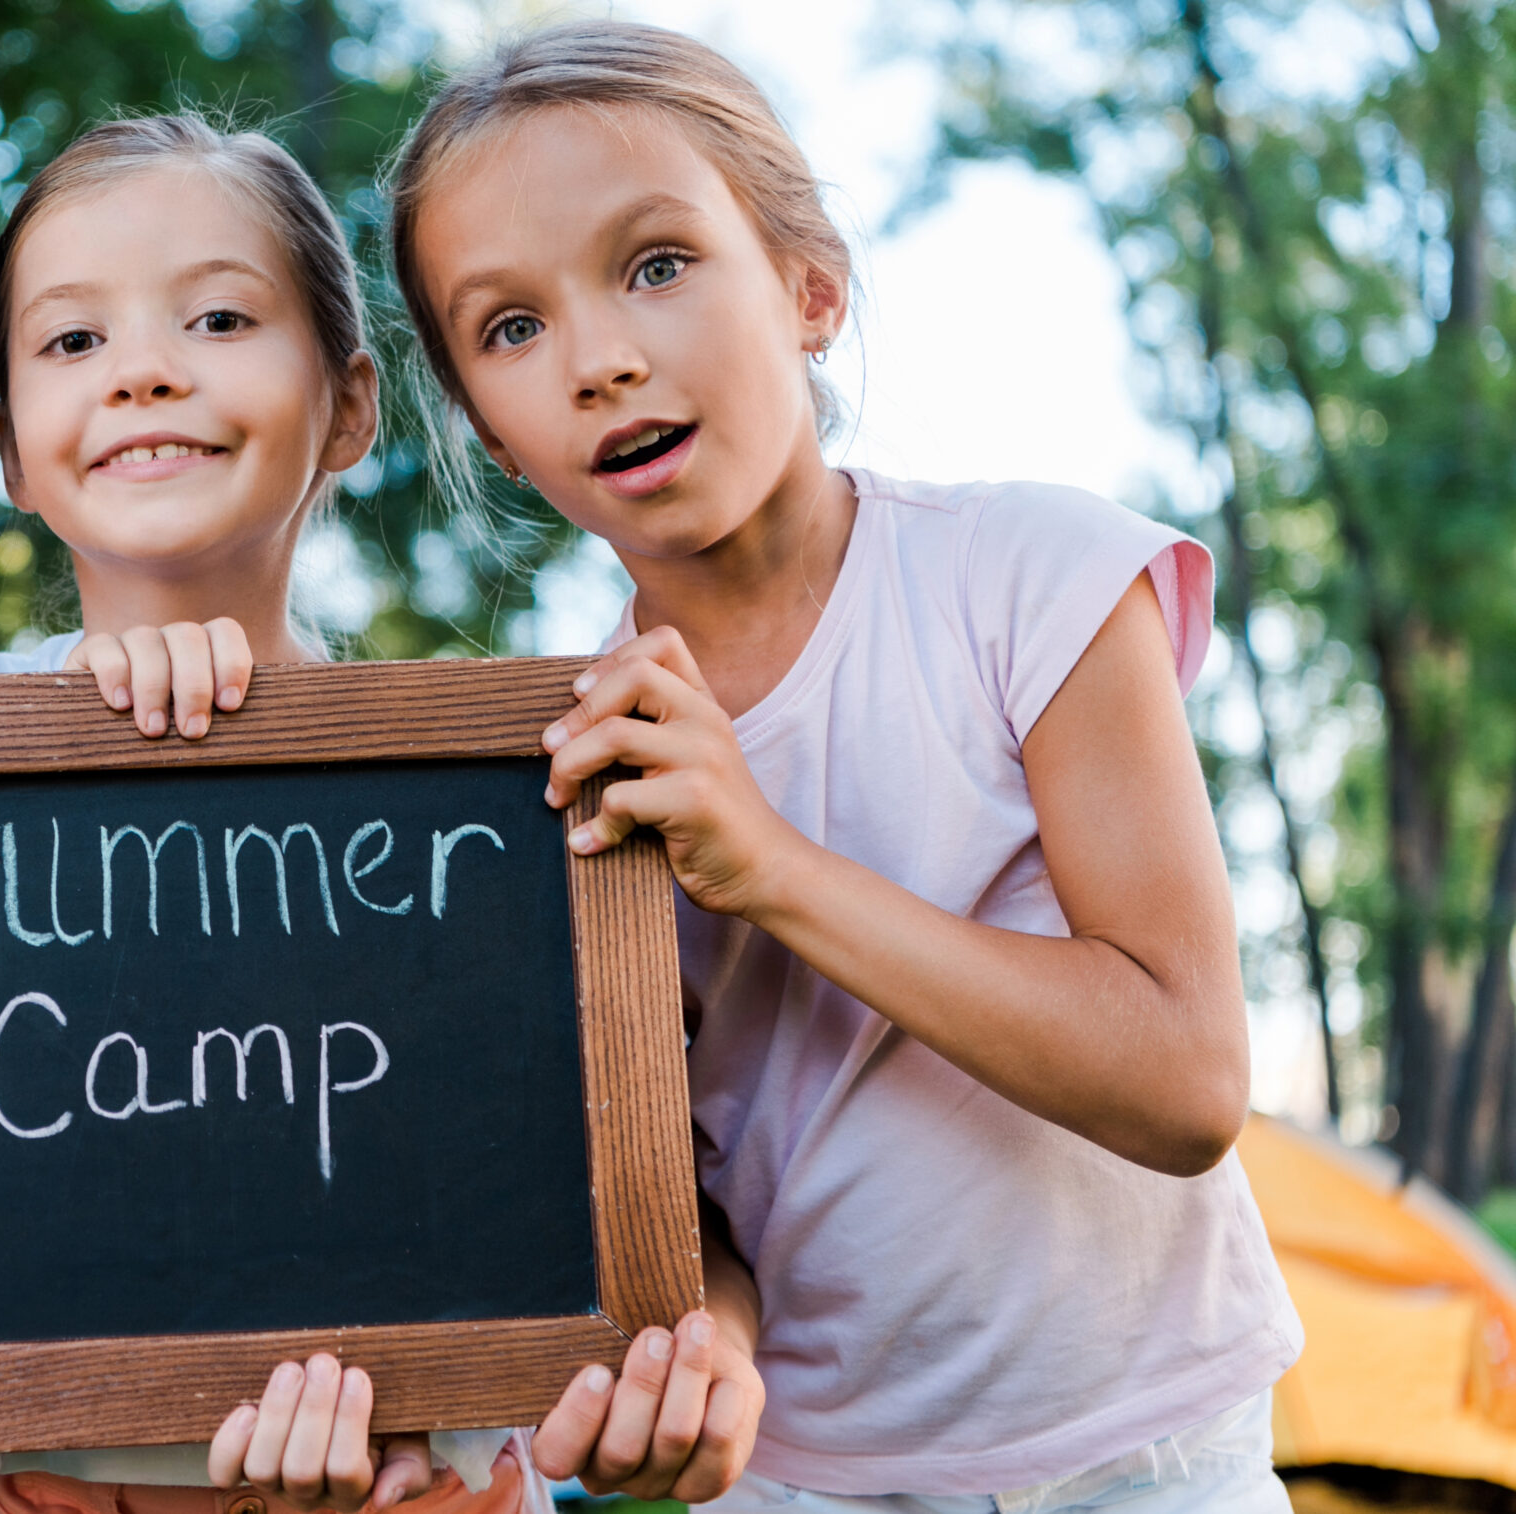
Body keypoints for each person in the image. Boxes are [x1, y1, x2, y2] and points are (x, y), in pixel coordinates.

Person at [0, 114, 766, 1514]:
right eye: (73, 343)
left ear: (351, 404)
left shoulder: (504, 797)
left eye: (219, 316)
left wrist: (704, 1352)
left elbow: (663, 1182)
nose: (147, 374)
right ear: (16, 456)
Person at [388, 20, 1302, 1513]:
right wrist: (713, 1349)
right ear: (489, 433)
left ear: (810, 286)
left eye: (658, 264)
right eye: (509, 327)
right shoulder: (557, 762)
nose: (602, 357)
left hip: (1146, 1456)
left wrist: (772, 869)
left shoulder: (1032, 578)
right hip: (804, 1479)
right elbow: (688, 1189)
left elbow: (1187, 1076)